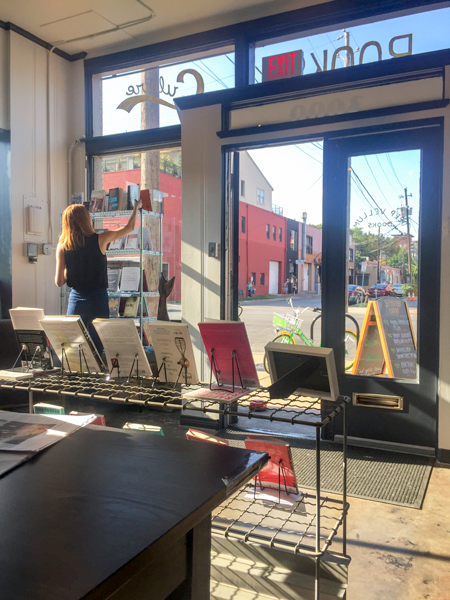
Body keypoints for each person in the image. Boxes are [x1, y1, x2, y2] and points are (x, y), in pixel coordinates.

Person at [55, 199, 143, 352]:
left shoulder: (63, 246)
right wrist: (136, 208)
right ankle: (99, 374)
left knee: (74, 347)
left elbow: (59, 281)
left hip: (76, 300)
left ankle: (77, 375)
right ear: (86, 220)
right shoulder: (100, 239)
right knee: (99, 345)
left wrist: (69, 269)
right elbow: (129, 227)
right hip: (98, 299)